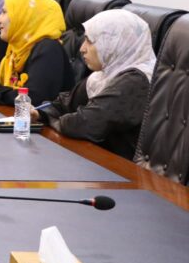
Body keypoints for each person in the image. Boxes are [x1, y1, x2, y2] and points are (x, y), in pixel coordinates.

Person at [32, 10, 155, 159]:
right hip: (98, 160)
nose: (82, 49)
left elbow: (83, 124)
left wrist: (52, 119)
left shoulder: (136, 81)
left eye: (90, 41)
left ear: (113, 44)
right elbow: (65, 104)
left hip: (122, 168)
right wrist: (39, 113)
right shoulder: (103, 75)